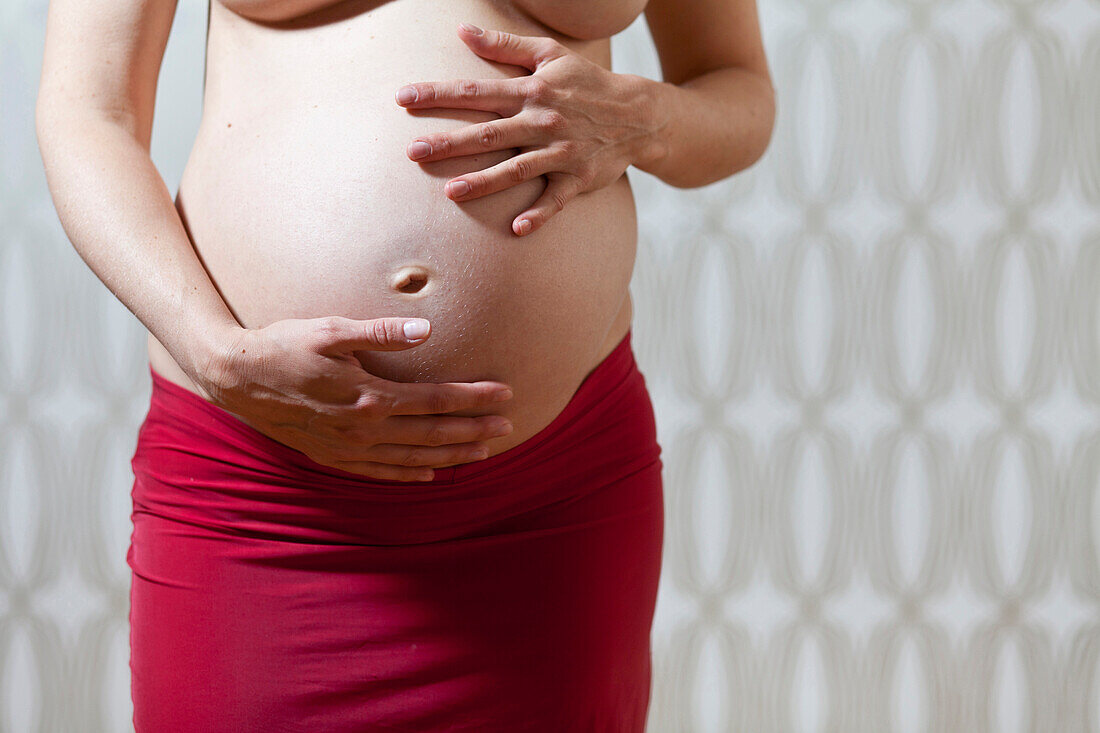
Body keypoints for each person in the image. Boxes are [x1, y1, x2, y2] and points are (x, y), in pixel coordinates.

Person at [36, 0, 774, 729]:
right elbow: (88, 112)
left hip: (552, 495)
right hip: (268, 495)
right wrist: (216, 354)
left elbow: (735, 85)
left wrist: (644, 118)